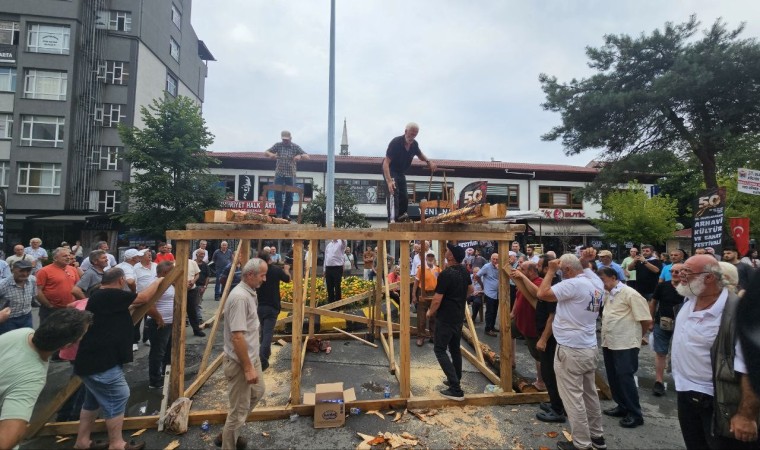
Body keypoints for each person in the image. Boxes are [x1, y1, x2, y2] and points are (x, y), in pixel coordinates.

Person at [671, 254, 759, 449]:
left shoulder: (736, 313)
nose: (679, 276)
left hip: (720, 403)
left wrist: (746, 415)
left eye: (686, 272)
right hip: (686, 395)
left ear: (709, 278)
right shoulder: (689, 300)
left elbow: (751, 368)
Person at [536, 249, 606, 450]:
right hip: (588, 345)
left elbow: (542, 294)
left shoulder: (572, 284)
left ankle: (582, 444)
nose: (560, 273)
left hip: (571, 349)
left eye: (561, 271)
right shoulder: (596, 283)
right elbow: (584, 268)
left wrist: (550, 271)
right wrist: (582, 260)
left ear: (566, 270)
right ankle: (597, 437)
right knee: (589, 395)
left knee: (573, 398)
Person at [0, 308, 92, 450]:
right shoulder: (32, 377)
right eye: (82, 337)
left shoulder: (23, 333)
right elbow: (8, 438)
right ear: (66, 346)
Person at [218, 258, 268, 450]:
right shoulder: (240, 298)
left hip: (251, 358)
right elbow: (237, 337)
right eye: (262, 275)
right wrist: (247, 367)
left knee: (258, 391)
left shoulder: (250, 292)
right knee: (238, 411)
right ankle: (228, 443)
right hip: (240, 362)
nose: (264, 279)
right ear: (250, 275)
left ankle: (228, 433)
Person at [597, 267, 651, 429]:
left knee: (625, 376)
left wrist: (637, 338)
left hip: (626, 343)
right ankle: (622, 406)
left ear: (613, 277)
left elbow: (645, 320)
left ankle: (635, 413)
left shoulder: (630, 294)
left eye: (603, 280)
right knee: (613, 376)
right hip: (610, 341)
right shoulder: (607, 294)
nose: (601, 284)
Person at [427, 243, 472, 401]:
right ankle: (456, 378)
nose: (445, 252)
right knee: (455, 349)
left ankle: (455, 388)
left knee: (439, 350)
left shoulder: (446, 274)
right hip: (458, 317)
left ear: (451, 256)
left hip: (446, 318)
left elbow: (437, 299)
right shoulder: (464, 271)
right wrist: (458, 299)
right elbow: (471, 290)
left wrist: (429, 312)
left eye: (447, 251)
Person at [534, 254, 566, 424]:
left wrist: (544, 339)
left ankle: (558, 410)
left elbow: (552, 317)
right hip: (548, 336)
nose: (537, 267)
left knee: (550, 373)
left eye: (539, 265)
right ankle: (556, 403)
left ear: (547, 269)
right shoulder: (550, 285)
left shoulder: (553, 287)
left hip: (550, 338)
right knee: (548, 373)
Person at [382, 122, 436, 222]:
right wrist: (389, 181)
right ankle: (393, 220)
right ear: (406, 131)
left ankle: (401, 217)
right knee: (394, 192)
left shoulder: (414, 145)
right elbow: (386, 163)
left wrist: (428, 162)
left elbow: (420, 155)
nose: (412, 137)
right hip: (391, 170)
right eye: (411, 134)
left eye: (415, 135)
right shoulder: (396, 142)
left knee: (404, 195)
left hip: (401, 172)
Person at [508, 261, 546, 391]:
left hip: (532, 326)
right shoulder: (523, 282)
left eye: (522, 269)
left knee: (538, 355)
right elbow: (518, 298)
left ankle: (541, 382)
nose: (518, 270)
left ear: (530, 271)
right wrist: (513, 313)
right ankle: (511, 361)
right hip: (520, 321)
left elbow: (537, 294)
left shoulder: (539, 282)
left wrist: (522, 277)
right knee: (507, 332)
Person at [649, 263, 685, 397]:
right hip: (662, 323)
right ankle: (658, 381)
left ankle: (681, 381)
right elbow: (653, 303)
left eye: (677, 271)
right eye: (672, 271)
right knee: (660, 352)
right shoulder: (663, 286)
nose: (674, 274)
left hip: (682, 326)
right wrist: (651, 320)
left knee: (679, 353)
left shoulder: (689, 288)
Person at [256, 250, 291, 371]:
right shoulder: (275, 270)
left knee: (263, 330)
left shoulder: (257, 271)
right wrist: (286, 269)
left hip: (260, 306)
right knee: (267, 333)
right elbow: (287, 279)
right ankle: (262, 358)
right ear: (269, 259)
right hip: (272, 306)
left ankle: (265, 353)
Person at [145, 261, 176, 389]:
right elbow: (147, 305)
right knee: (157, 352)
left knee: (168, 350)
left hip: (169, 323)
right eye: (172, 271)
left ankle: (165, 373)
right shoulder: (154, 284)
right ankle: (155, 381)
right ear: (164, 273)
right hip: (159, 324)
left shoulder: (169, 283)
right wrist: (158, 318)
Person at [264, 130, 308, 219]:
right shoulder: (278, 145)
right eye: (284, 140)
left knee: (290, 195)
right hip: (279, 174)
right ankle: (279, 214)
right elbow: (265, 152)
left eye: (287, 140)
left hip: (291, 175)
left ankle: (286, 214)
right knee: (278, 194)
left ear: (291, 138)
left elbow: (307, 156)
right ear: (281, 138)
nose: (285, 141)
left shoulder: (295, 147)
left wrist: (300, 156)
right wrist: (271, 155)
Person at [36, 247, 81, 324]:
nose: (68, 257)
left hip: (70, 308)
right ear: (55, 258)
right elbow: (37, 291)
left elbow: (77, 287)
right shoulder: (44, 271)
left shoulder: (73, 269)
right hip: (51, 310)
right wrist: (49, 305)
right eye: (64, 256)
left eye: (68, 255)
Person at [412, 251, 442, 346]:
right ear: (426, 258)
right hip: (422, 292)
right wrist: (413, 295)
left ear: (434, 257)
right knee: (421, 317)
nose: (430, 258)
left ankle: (433, 336)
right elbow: (416, 283)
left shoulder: (438, 269)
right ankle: (421, 337)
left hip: (434, 293)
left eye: (432, 256)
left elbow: (442, 283)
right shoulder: (421, 269)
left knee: (434, 315)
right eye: (428, 256)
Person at [0, 260, 36, 334]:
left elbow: (33, 295)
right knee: (10, 342)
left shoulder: (32, 280)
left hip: (27, 317)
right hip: (9, 320)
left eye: (28, 270)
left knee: (26, 340)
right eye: (21, 271)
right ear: (13, 270)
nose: (25, 274)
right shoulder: (3, 285)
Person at [474, 253, 500, 337]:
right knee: (490, 311)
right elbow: (477, 276)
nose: (495, 261)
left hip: (498, 293)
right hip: (489, 292)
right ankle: (487, 329)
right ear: (490, 259)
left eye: (497, 259)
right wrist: (482, 285)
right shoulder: (486, 266)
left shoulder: (499, 266)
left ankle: (492, 326)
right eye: (493, 259)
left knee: (495, 310)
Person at [187, 254, 205, 337]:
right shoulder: (175, 263)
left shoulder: (192, 263)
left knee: (192, 310)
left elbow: (197, 274)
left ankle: (196, 329)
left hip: (191, 290)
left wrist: (193, 281)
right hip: (180, 290)